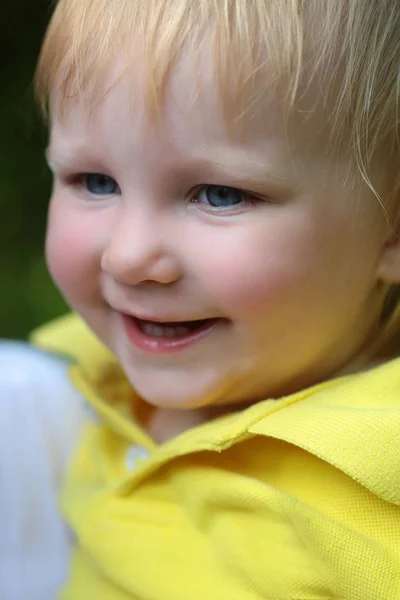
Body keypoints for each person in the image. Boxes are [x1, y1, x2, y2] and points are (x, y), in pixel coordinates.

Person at [2, 0, 400, 598]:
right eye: (95, 181)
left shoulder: (373, 503)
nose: (127, 256)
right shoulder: (84, 381)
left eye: (218, 194)